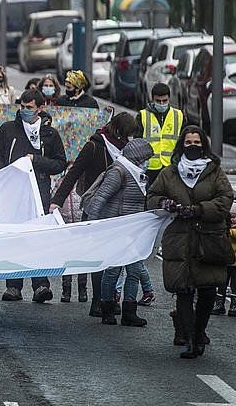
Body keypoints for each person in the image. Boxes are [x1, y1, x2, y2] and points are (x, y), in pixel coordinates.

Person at [146, 125, 235, 359]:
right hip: (180, 239)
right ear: (181, 145)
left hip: (208, 238)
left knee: (207, 291)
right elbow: (152, 197)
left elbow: (225, 199)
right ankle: (190, 340)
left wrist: (198, 210)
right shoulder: (170, 172)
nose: (192, 146)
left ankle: (199, 330)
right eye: (188, 143)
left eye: (197, 143)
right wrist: (165, 203)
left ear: (203, 145)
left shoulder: (215, 172)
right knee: (183, 290)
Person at [50, 112, 137, 313]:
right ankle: (98, 301)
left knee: (114, 258)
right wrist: (57, 201)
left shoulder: (127, 151)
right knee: (99, 257)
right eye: (126, 135)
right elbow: (74, 174)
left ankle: (108, 299)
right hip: (96, 208)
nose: (129, 140)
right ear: (117, 131)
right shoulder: (94, 146)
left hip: (119, 210)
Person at [0, 89, 67, 303]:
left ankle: (41, 285)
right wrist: (5, 176)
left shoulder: (50, 134)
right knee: (15, 237)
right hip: (13, 192)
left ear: (40, 108)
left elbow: (60, 163)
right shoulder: (8, 129)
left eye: (30, 107)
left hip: (38, 192)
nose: (24, 111)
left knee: (37, 238)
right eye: (22, 106)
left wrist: (37, 161)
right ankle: (13, 286)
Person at [83, 136, 154, 327]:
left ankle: (129, 311)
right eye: (146, 158)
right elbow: (100, 199)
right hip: (116, 229)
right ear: (138, 157)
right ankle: (107, 309)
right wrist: (92, 227)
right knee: (113, 271)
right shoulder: (119, 171)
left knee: (134, 271)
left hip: (133, 230)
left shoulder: (138, 174)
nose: (148, 162)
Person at [138, 82, 184, 176]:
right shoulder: (143, 116)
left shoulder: (179, 116)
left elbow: (182, 142)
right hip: (149, 168)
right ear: (153, 99)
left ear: (169, 99)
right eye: (158, 101)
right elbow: (136, 141)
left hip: (171, 166)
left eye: (164, 100)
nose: (162, 104)